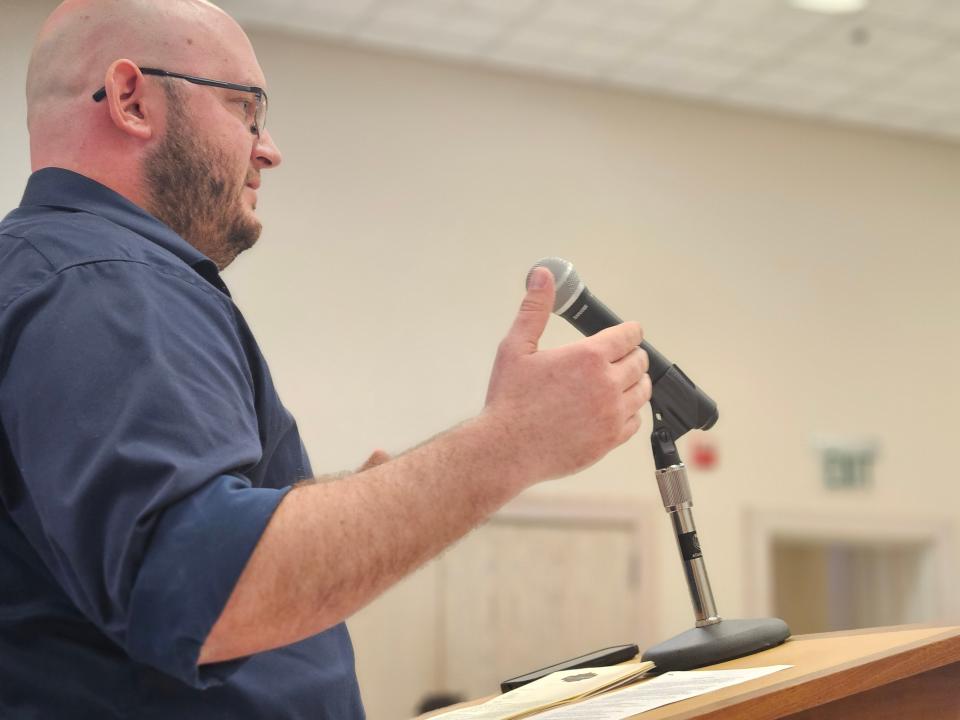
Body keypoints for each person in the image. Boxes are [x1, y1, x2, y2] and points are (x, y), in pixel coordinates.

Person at [0, 0, 652, 717]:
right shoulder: (103, 278)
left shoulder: (59, 276)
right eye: (245, 108)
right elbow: (202, 587)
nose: (268, 148)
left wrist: (356, 511)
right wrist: (515, 440)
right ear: (131, 99)